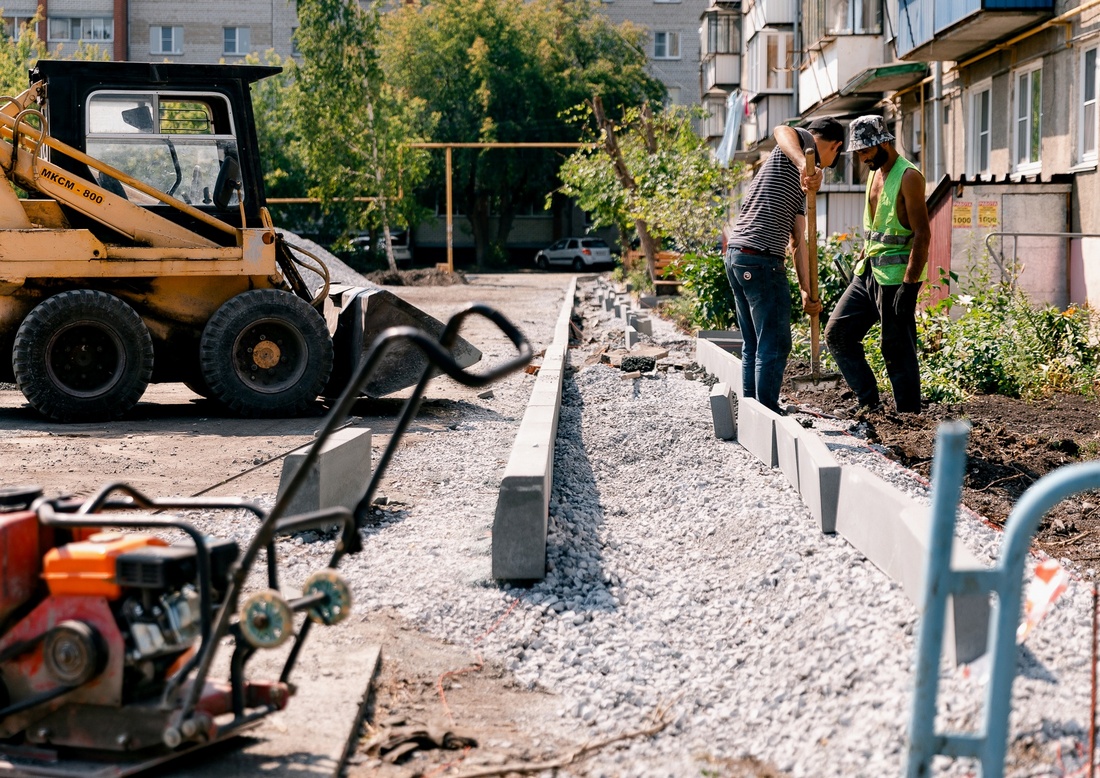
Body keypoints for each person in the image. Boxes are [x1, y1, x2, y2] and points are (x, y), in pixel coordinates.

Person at [724, 117, 845, 415]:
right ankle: (765, 415)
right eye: (829, 163)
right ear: (836, 146)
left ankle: (752, 413)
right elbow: (781, 130)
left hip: (739, 255)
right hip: (761, 257)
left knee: (754, 343)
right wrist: (806, 164)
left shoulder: (800, 185)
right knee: (775, 343)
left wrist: (807, 291)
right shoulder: (801, 143)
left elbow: (798, 240)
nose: (823, 170)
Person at [824, 115, 931, 416]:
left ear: (883, 142)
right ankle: (869, 403)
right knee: (838, 334)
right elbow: (879, 227)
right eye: (858, 153)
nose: (862, 158)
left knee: (897, 350)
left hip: (897, 279)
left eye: (865, 151)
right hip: (868, 272)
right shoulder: (875, 172)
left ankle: (910, 420)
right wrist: (864, 252)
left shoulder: (909, 177)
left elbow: (923, 234)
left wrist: (909, 287)